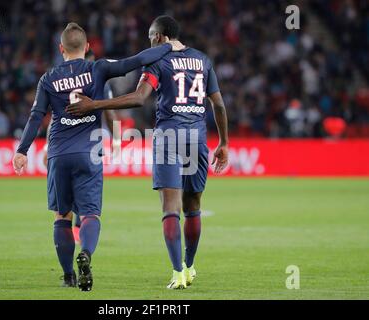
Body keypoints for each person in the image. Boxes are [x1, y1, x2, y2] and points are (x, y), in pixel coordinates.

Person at [12, 22, 181, 291]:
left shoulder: (48, 78)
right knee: (90, 215)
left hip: (58, 153)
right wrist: (167, 47)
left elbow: (35, 117)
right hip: (88, 152)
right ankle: (86, 254)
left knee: (62, 216)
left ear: (61, 49)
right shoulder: (97, 68)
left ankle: (68, 276)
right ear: (87, 47)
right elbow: (134, 61)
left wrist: (22, 150)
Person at [67, 16, 229, 289]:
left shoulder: (158, 61)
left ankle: (177, 272)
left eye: (152, 37)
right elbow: (219, 106)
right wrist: (223, 142)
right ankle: (189, 267)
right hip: (196, 137)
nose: (150, 42)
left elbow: (138, 98)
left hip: (168, 136)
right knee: (193, 207)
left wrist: (94, 104)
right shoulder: (203, 60)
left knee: (170, 209)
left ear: (162, 36)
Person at [42, 50, 121, 245]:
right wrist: (117, 140)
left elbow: (53, 118)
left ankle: (69, 267)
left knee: (63, 208)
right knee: (87, 196)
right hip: (88, 146)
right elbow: (110, 113)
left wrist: (46, 146)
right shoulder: (98, 77)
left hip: (62, 147)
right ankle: (83, 239)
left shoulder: (60, 78)